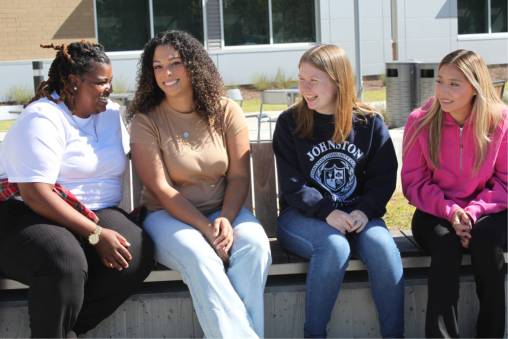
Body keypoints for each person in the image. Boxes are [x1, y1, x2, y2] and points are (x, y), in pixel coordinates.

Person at [0, 41, 154, 338]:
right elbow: (36, 193)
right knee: (64, 260)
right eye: (101, 82)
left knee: (135, 250)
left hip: (92, 210)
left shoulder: (111, 115)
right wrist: (95, 234)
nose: (109, 89)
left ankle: (66, 330)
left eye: (110, 81)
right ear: (73, 82)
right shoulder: (42, 118)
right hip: (25, 212)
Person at [128, 30, 271, 338]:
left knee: (255, 248)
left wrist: (224, 220)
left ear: (193, 64)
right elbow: (162, 190)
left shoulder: (226, 110)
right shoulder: (146, 121)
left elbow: (238, 176)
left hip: (224, 210)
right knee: (200, 256)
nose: (166, 73)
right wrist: (206, 230)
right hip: (168, 217)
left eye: (175, 63)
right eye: (157, 66)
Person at [272, 44, 404, 338]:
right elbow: (293, 186)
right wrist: (326, 211)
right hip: (303, 217)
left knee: (383, 248)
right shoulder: (290, 123)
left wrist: (364, 211)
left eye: (313, 80)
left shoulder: (369, 123)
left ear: (337, 81)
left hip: (358, 215)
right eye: (301, 78)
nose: (304, 87)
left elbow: (383, 178)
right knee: (333, 246)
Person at [402, 49, 507, 338]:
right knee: (446, 244)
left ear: (475, 87)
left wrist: (472, 213)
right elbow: (414, 183)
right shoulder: (419, 121)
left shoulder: (499, 121)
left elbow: (506, 182)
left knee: (486, 244)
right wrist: (451, 212)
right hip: (434, 211)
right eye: (439, 81)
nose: (443, 91)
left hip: (489, 211)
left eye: (454, 83)